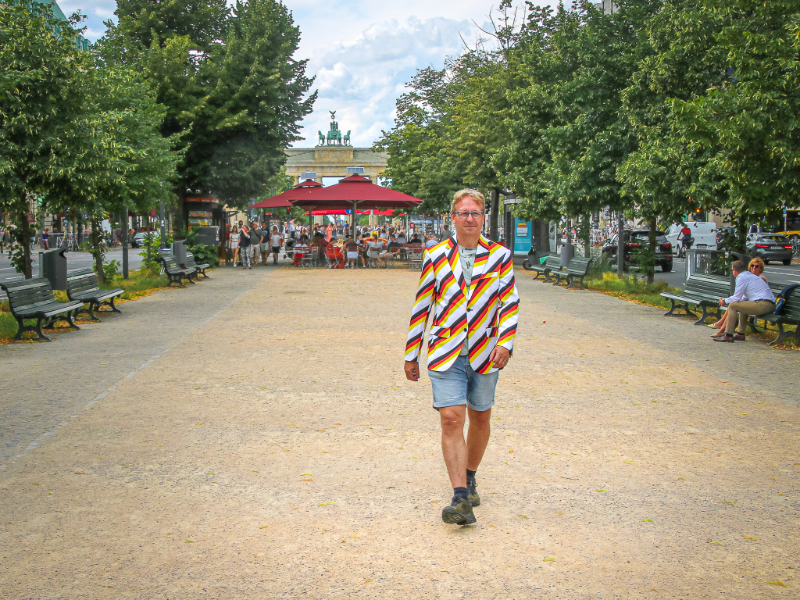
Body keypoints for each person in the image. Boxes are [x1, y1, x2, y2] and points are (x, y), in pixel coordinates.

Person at [403, 188, 520, 525]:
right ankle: (459, 498)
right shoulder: (436, 255)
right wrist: (412, 353)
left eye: (476, 213)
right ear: (452, 217)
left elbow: (510, 303)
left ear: (484, 217)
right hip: (445, 350)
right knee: (452, 418)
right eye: (464, 213)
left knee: (480, 417)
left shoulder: (500, 256)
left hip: (485, 352)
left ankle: (469, 477)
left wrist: (505, 342)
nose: (470, 218)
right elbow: (422, 305)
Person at [714, 259, 775, 343]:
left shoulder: (741, 277)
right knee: (741, 305)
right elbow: (742, 298)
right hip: (768, 305)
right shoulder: (749, 276)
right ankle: (740, 334)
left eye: (732, 270)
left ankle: (728, 335)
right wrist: (726, 300)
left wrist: (724, 300)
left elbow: (736, 298)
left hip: (763, 304)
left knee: (733, 305)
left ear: (735, 271)